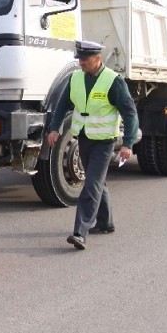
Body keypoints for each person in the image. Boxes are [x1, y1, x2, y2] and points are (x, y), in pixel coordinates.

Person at [47, 40, 139, 250]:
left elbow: (129, 112)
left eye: (85, 59)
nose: (81, 63)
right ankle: (106, 223)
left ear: (98, 59)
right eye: (79, 59)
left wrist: (128, 143)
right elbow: (62, 105)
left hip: (105, 142)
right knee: (96, 181)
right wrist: (54, 128)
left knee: (91, 185)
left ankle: (80, 231)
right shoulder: (75, 78)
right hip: (84, 138)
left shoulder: (113, 81)